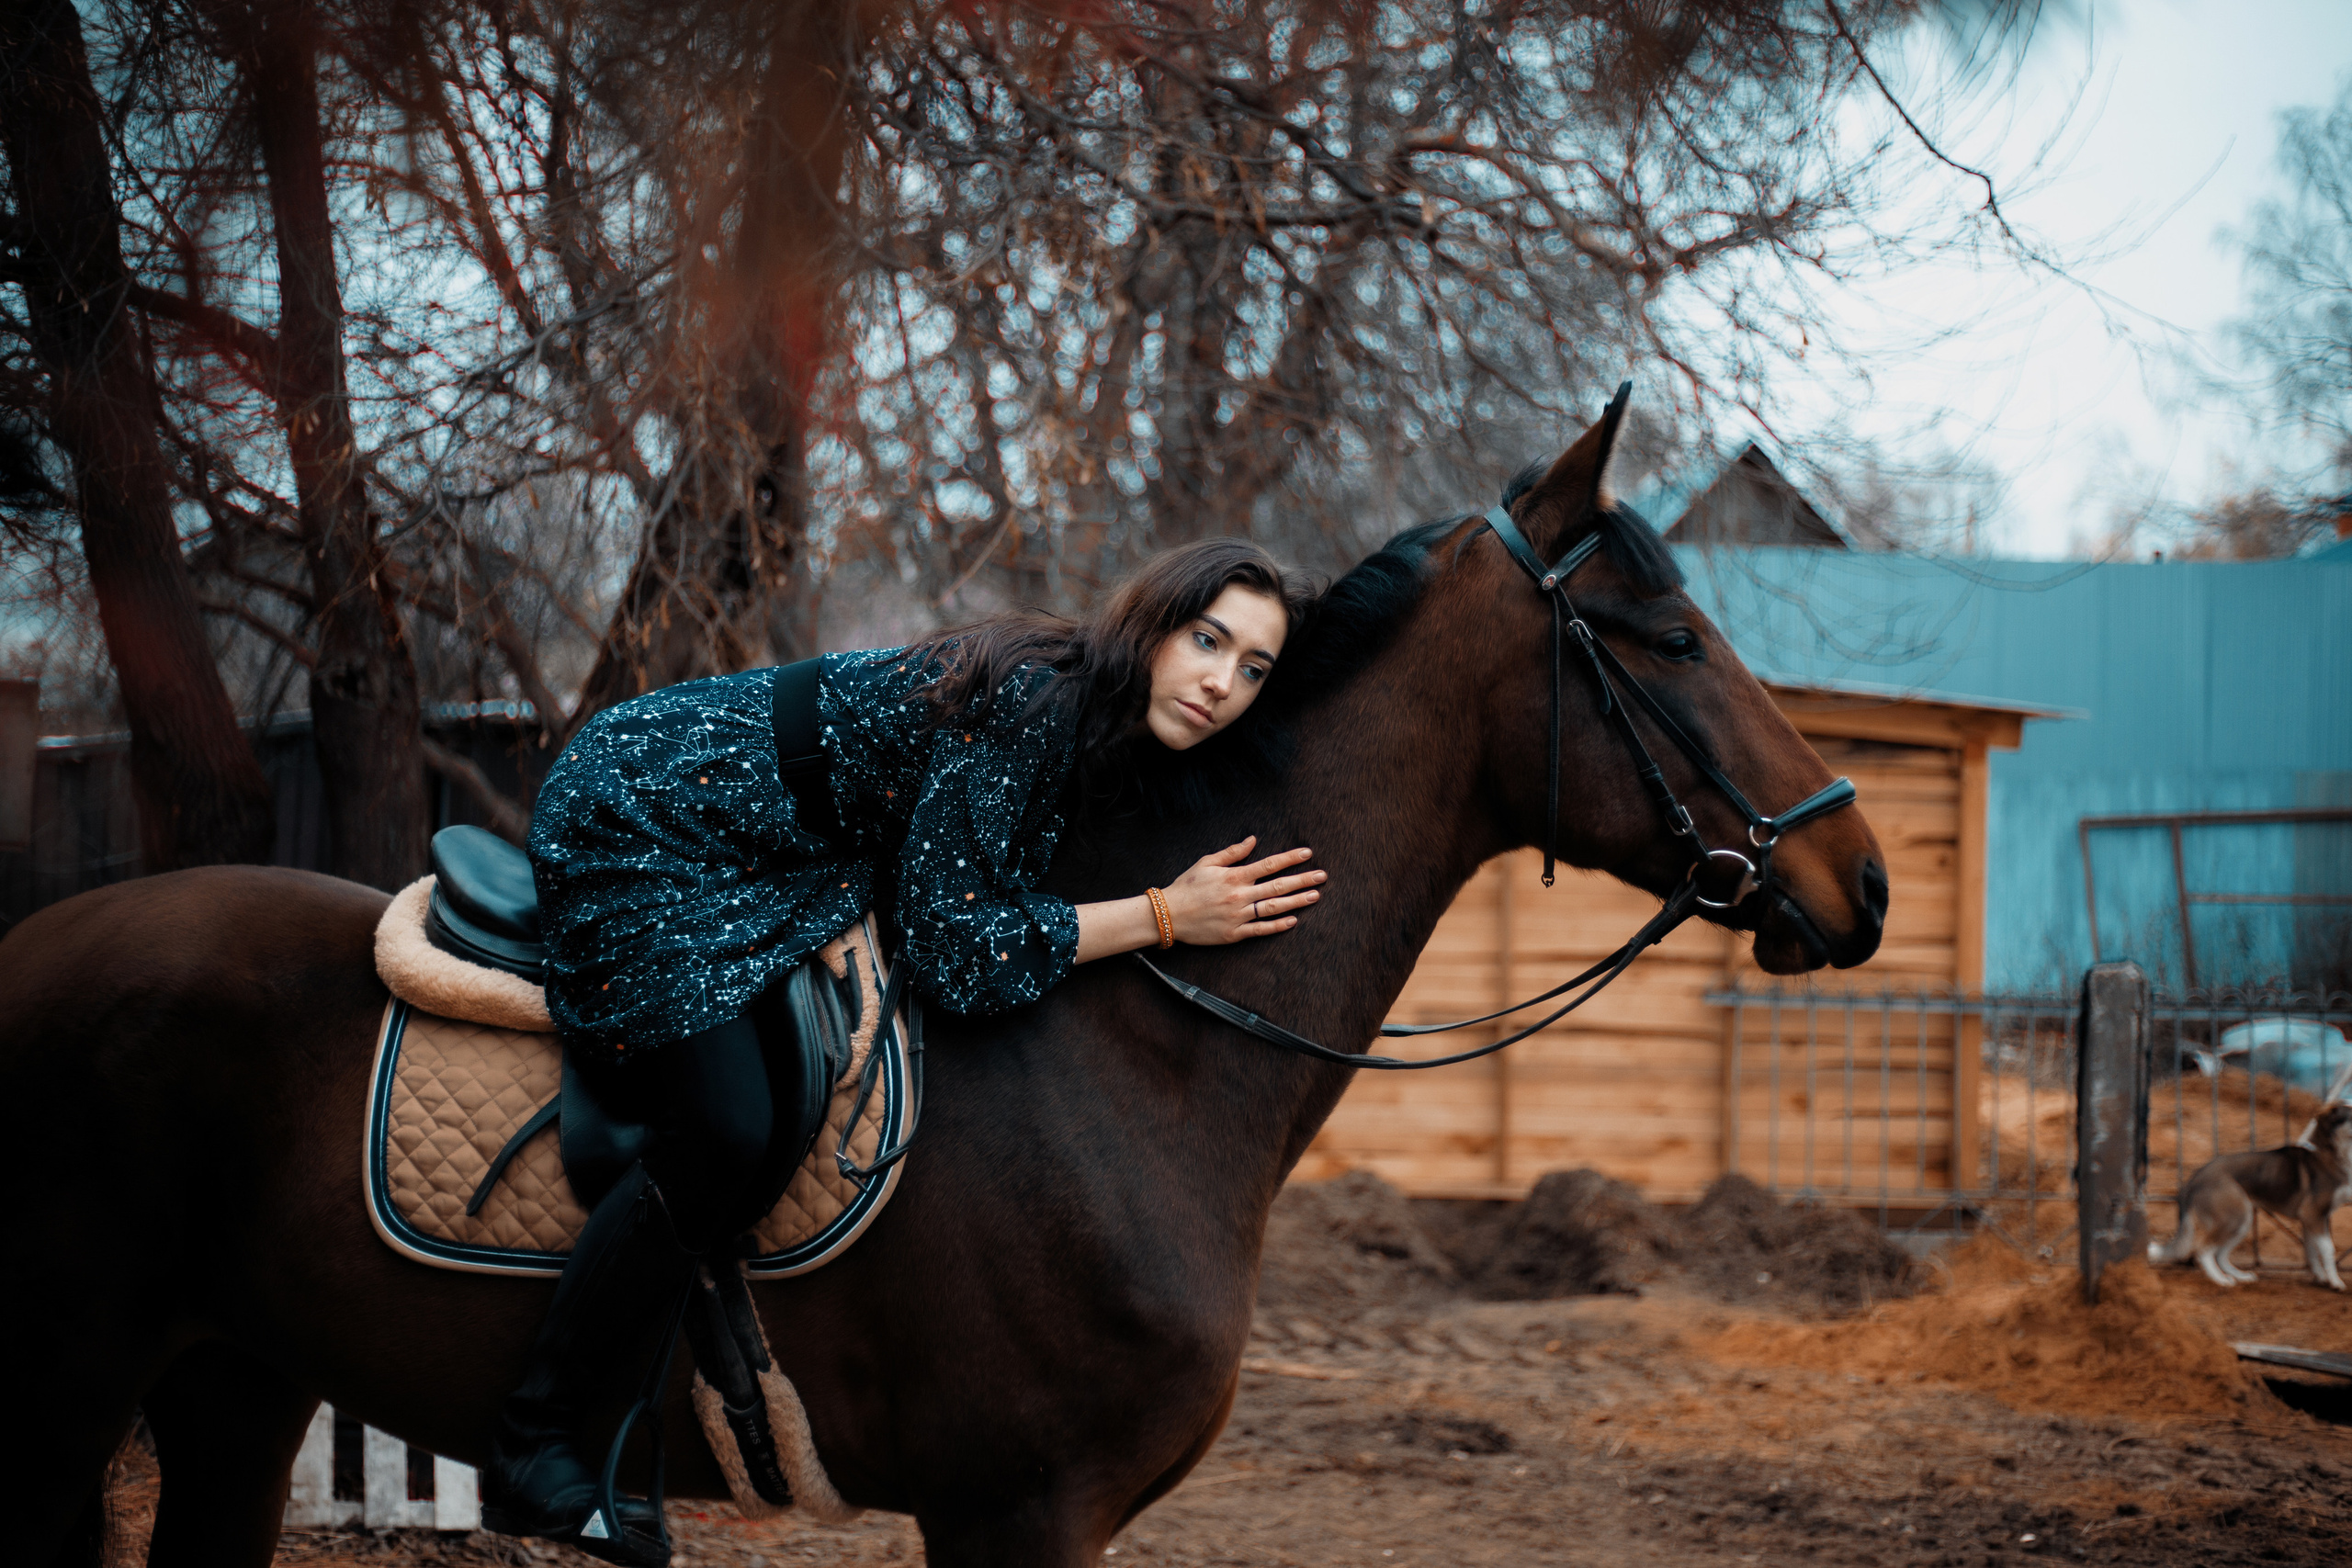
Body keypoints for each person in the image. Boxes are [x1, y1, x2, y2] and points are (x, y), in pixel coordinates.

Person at [483, 538, 1328, 1563]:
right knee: (727, 1125)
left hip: (768, 848)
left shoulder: (1103, 729)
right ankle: (537, 1442)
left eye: (1252, 669)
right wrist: (1163, 915)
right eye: (1208, 640)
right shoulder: (1035, 705)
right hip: (648, 812)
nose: (1219, 682)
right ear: (1153, 624)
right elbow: (952, 947)